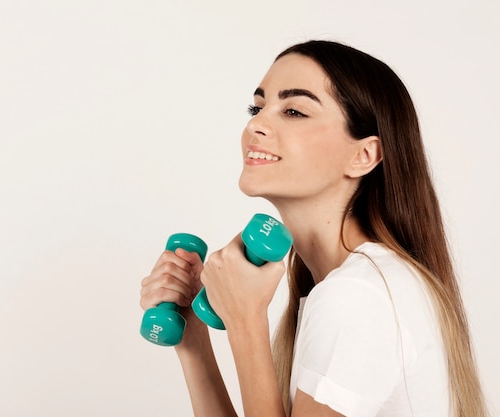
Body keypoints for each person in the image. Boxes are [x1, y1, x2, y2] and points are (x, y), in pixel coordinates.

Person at [139, 40, 488, 417]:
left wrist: (246, 320)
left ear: (363, 155)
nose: (256, 123)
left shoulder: (359, 294)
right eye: (256, 107)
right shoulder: (346, 286)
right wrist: (193, 340)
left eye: (293, 110)